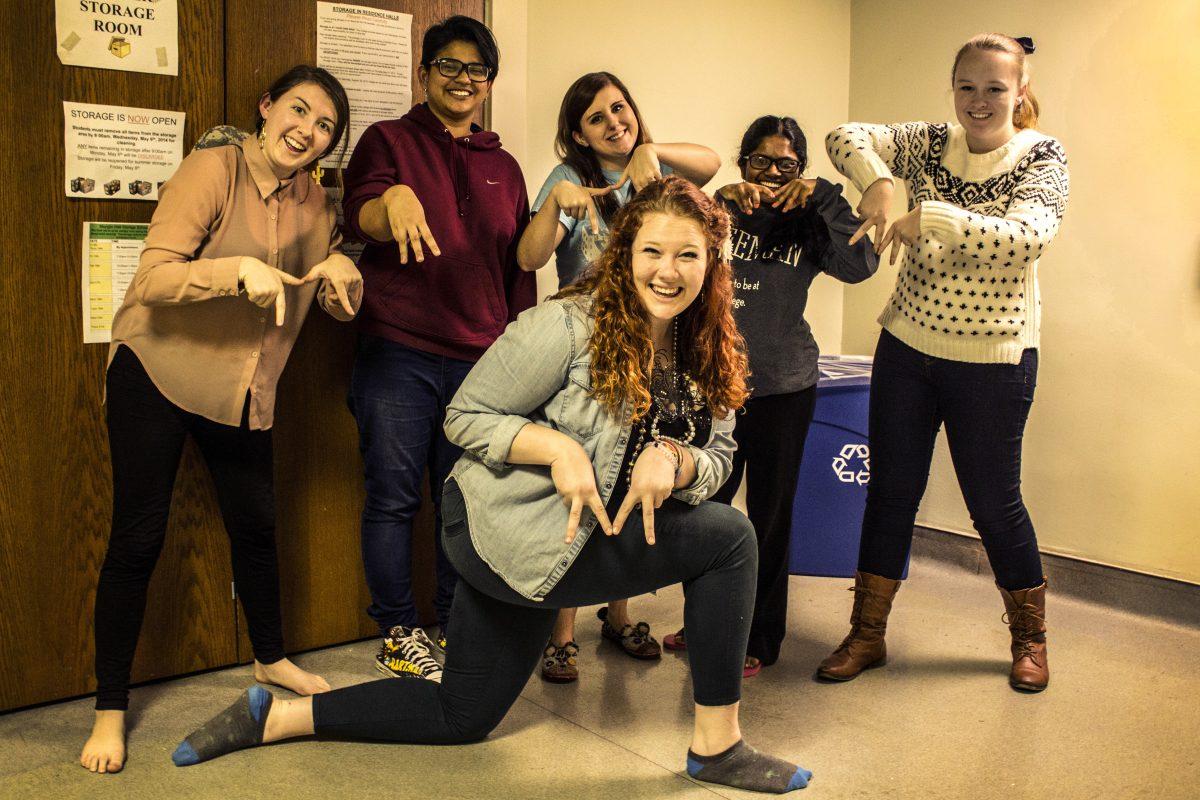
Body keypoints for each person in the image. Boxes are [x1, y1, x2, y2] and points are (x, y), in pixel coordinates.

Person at [171, 177, 813, 795]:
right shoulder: (568, 328)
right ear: (625, 253)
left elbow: (721, 454)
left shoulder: (709, 346)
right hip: (509, 529)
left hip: (588, 537)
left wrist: (675, 460)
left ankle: (272, 717)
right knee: (730, 537)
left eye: (687, 255)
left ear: (712, 263)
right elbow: (465, 415)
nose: (667, 271)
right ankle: (717, 748)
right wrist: (557, 447)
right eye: (651, 251)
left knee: (462, 715)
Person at [79, 65, 361, 774]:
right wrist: (233, 270)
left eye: (325, 125)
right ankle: (109, 709)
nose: (308, 130)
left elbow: (318, 296)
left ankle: (270, 661)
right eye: (299, 110)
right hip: (161, 370)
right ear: (266, 108)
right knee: (138, 539)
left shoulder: (320, 204)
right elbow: (150, 278)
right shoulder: (214, 168)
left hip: (243, 389)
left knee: (257, 528)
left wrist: (342, 284)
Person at [817, 34, 1069, 692]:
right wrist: (876, 181)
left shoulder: (1041, 155)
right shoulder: (927, 141)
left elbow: (1029, 238)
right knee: (891, 495)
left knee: (995, 505)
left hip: (993, 359)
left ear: (1019, 91)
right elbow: (842, 134)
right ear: (951, 88)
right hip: (906, 347)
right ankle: (867, 634)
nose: (980, 101)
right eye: (967, 87)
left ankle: (1031, 639)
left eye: (995, 88)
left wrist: (934, 215)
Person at [342, 15, 535, 683]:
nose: (462, 79)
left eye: (476, 70)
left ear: (488, 84)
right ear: (422, 74)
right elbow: (359, 211)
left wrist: (518, 366)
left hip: (482, 361)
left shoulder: (505, 167)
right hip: (398, 351)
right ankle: (398, 632)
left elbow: (520, 269)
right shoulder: (388, 140)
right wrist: (389, 198)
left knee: (463, 499)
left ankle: (456, 628)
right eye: (448, 66)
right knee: (394, 496)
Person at [517, 71, 721, 682]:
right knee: (584, 485)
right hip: (588, 355)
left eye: (619, 109)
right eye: (596, 119)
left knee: (635, 475)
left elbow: (710, 162)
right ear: (576, 135)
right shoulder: (569, 180)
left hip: (653, 348)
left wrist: (649, 155)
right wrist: (557, 203)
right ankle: (561, 631)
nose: (613, 123)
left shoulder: (655, 172)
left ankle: (618, 612)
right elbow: (528, 258)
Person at [661, 116, 878, 676]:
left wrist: (827, 196)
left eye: (788, 166)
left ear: (801, 174)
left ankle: (760, 634)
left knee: (769, 516)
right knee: (704, 511)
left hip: (785, 388)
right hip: (714, 387)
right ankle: (705, 620)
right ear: (744, 162)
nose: (774, 174)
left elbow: (862, 264)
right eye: (762, 161)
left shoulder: (810, 219)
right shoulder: (718, 214)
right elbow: (669, 241)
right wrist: (718, 198)